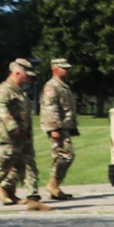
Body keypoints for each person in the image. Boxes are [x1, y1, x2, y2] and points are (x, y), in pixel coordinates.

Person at [0, 58, 51, 213]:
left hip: (24, 137)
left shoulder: (20, 91)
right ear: (17, 72)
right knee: (1, 169)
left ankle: (33, 200)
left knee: (29, 168)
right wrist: (13, 128)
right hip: (8, 137)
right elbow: (1, 110)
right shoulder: (4, 90)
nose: (28, 79)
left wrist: (26, 134)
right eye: (26, 75)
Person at [40, 57, 79, 200]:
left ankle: (54, 187)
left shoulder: (62, 85)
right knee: (65, 155)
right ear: (55, 69)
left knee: (62, 155)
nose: (67, 71)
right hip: (57, 126)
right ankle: (53, 184)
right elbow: (50, 108)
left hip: (63, 126)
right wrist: (54, 129)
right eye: (63, 68)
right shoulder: (52, 86)